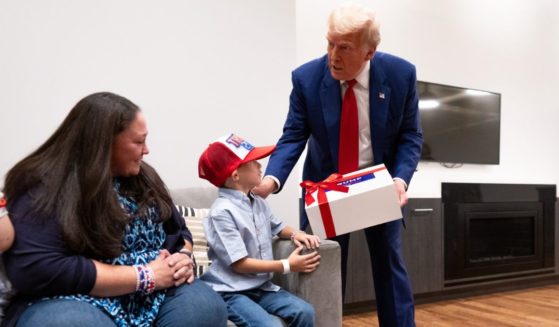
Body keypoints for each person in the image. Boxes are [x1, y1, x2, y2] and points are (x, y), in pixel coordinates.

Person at [252, 4, 423, 327]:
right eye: (330, 43)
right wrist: (271, 181)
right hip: (325, 188)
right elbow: (293, 136)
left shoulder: (401, 75)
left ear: (369, 52)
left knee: (389, 265)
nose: (333, 55)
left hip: (377, 184)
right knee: (320, 267)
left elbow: (411, 135)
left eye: (344, 47)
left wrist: (401, 180)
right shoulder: (307, 78)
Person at [1, 92, 227, 327]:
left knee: (205, 307)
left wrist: (182, 258)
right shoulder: (42, 185)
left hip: (155, 295)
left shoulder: (143, 176)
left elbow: (179, 232)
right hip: (73, 297)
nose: (146, 150)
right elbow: (36, 268)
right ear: (103, 144)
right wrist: (144, 276)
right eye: (139, 142)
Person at [198, 133, 321, 327]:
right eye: (253, 162)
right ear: (235, 175)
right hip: (231, 292)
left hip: (261, 287)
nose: (260, 166)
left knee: (305, 312)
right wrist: (287, 265)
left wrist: (297, 234)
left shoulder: (257, 202)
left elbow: (278, 227)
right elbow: (240, 264)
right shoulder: (221, 212)